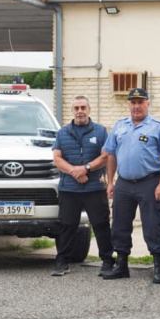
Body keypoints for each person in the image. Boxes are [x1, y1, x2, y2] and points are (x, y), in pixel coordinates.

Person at [102, 88, 160, 284]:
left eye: (140, 102)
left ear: (147, 104)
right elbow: (111, 154)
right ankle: (121, 265)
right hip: (124, 184)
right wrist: (110, 182)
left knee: (153, 225)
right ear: (128, 104)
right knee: (119, 225)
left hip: (149, 183)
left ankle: (159, 267)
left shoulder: (158, 127)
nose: (136, 106)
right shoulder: (119, 126)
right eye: (133, 102)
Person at [50, 95, 112, 277]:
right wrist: (75, 172)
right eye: (76, 108)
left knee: (101, 225)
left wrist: (86, 169)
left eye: (83, 108)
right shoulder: (62, 133)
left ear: (89, 110)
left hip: (94, 188)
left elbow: (105, 156)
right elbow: (57, 159)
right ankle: (62, 261)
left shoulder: (100, 132)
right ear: (72, 111)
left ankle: (107, 261)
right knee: (67, 225)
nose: (80, 112)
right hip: (69, 189)